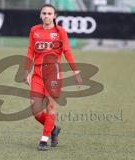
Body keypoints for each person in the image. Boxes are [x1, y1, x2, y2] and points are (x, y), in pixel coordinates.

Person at [23, 4, 82, 151]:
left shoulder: (60, 32)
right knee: (35, 111)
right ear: (40, 15)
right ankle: (53, 129)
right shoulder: (34, 30)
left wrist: (76, 72)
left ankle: (44, 140)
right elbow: (30, 52)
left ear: (54, 16)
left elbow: (67, 52)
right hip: (37, 74)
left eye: (50, 13)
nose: (47, 16)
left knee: (50, 106)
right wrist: (26, 71)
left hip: (53, 74)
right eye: (44, 13)